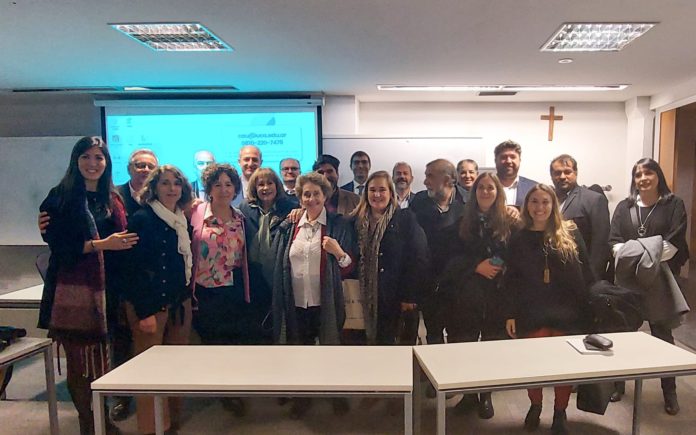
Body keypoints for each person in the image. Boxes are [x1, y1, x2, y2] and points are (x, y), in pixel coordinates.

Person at [38, 136, 137, 435]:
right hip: (74, 296)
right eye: (86, 157)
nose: (93, 163)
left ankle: (101, 418)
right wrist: (101, 244)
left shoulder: (113, 199)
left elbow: (123, 242)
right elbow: (59, 246)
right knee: (80, 363)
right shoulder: (59, 198)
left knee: (103, 361)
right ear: (76, 160)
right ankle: (87, 423)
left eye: (99, 157)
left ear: (107, 163)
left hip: (109, 292)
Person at [505, 184, 594, 435]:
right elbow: (511, 279)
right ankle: (535, 405)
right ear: (527, 205)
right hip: (531, 310)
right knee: (533, 364)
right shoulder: (518, 237)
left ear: (553, 204)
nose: (540, 207)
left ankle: (560, 412)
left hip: (567, 310)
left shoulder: (570, 232)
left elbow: (586, 273)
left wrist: (588, 310)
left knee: (563, 365)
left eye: (545, 201)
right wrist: (510, 313)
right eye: (534, 201)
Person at [609, 158, 690, 415]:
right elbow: (615, 243)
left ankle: (670, 392)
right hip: (628, 280)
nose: (643, 178)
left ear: (658, 176)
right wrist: (645, 252)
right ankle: (618, 385)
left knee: (663, 337)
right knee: (623, 334)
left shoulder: (673, 204)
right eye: (638, 174)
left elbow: (673, 244)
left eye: (649, 173)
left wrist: (636, 253)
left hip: (660, 279)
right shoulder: (624, 207)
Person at [272, 171, 355, 418]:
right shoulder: (291, 226)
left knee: (331, 349)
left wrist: (338, 252)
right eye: (306, 194)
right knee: (301, 351)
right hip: (296, 302)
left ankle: (336, 394)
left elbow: (349, 266)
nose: (311, 199)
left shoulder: (338, 224)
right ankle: (303, 396)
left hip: (326, 301)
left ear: (325, 195)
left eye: (316, 194)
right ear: (300, 198)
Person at [122, 165, 193, 434]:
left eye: (176, 183)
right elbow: (132, 269)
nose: (172, 188)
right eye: (165, 183)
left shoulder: (181, 219)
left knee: (176, 369)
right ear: (153, 187)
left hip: (179, 303)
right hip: (151, 305)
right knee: (149, 373)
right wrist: (144, 312)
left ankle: (171, 424)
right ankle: (150, 429)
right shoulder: (142, 219)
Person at [440, 172, 517, 419]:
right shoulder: (461, 223)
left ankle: (486, 395)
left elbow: (519, 257)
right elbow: (449, 261)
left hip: (498, 295)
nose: (485, 192)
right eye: (481, 188)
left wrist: (503, 265)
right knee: (466, 346)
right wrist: (475, 266)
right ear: (474, 193)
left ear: (498, 192)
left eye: (490, 188)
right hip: (468, 294)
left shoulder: (511, 223)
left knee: (492, 348)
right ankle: (469, 395)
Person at [189, 163, 252, 416]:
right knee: (212, 341)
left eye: (228, 184)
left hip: (233, 289)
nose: (224, 189)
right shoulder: (196, 213)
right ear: (209, 188)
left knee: (232, 341)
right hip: (205, 290)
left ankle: (231, 389)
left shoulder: (240, 218)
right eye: (218, 185)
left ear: (235, 188)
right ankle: (219, 390)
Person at [350, 171, 429, 345]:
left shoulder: (405, 219)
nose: (377, 195)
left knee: (393, 350)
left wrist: (409, 296)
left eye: (382, 190)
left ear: (391, 193)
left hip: (395, 299)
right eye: (372, 190)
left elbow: (419, 258)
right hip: (362, 298)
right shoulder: (354, 222)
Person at [409, 159, 467, 344]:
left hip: (457, 287)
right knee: (433, 340)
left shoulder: (465, 207)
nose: (425, 181)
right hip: (429, 287)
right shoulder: (418, 204)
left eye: (430, 176)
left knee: (460, 339)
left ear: (448, 180)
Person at [239, 167, 297, 343]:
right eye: (260, 184)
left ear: (277, 185)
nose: (265, 188)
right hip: (253, 276)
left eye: (269, 183)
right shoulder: (244, 209)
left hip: (279, 274)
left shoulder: (290, 208)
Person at [550, 154, 610, 279]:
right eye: (557, 173)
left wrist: (593, 278)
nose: (562, 176)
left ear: (575, 173)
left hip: (581, 274)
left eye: (567, 172)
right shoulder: (546, 201)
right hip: (552, 273)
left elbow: (600, 245)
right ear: (551, 175)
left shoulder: (593, 200)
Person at [494, 140, 538, 207]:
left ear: (519, 160)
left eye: (513, 157)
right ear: (495, 161)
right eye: (503, 157)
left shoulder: (534, 187)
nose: (508, 161)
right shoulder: (483, 187)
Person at [116, 148, 159, 217]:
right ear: (129, 169)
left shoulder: (161, 196)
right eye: (141, 166)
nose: (146, 170)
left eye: (151, 167)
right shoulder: (115, 194)